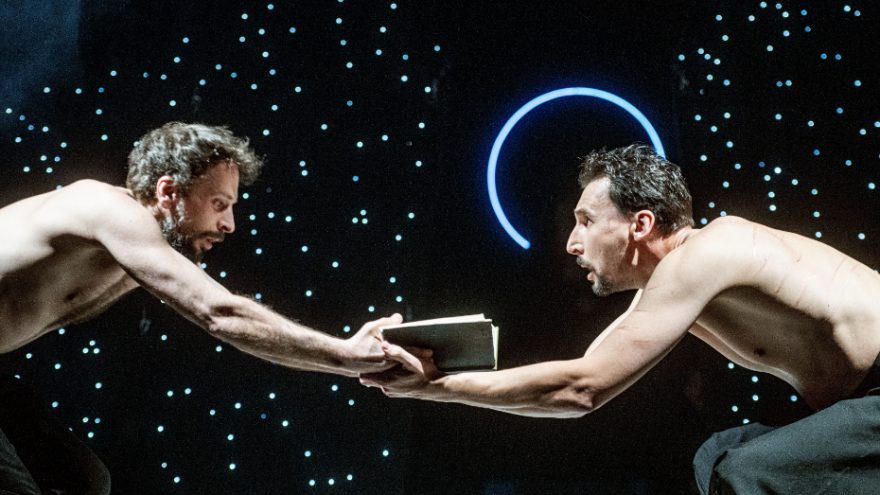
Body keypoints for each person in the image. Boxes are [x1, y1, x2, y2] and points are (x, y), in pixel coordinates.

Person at [362, 144, 880, 494]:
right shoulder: (675, 284)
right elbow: (580, 375)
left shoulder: (707, 253)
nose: (572, 243)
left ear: (641, 224)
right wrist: (438, 369)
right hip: (863, 405)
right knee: (719, 455)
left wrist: (434, 388)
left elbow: (580, 390)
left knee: (749, 473)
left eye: (586, 221)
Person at [0, 122, 401, 494]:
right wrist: (347, 354)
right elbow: (220, 313)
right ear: (168, 192)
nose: (230, 224)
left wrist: (352, 364)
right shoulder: (105, 209)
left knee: (83, 481)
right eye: (219, 203)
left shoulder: (134, 251)